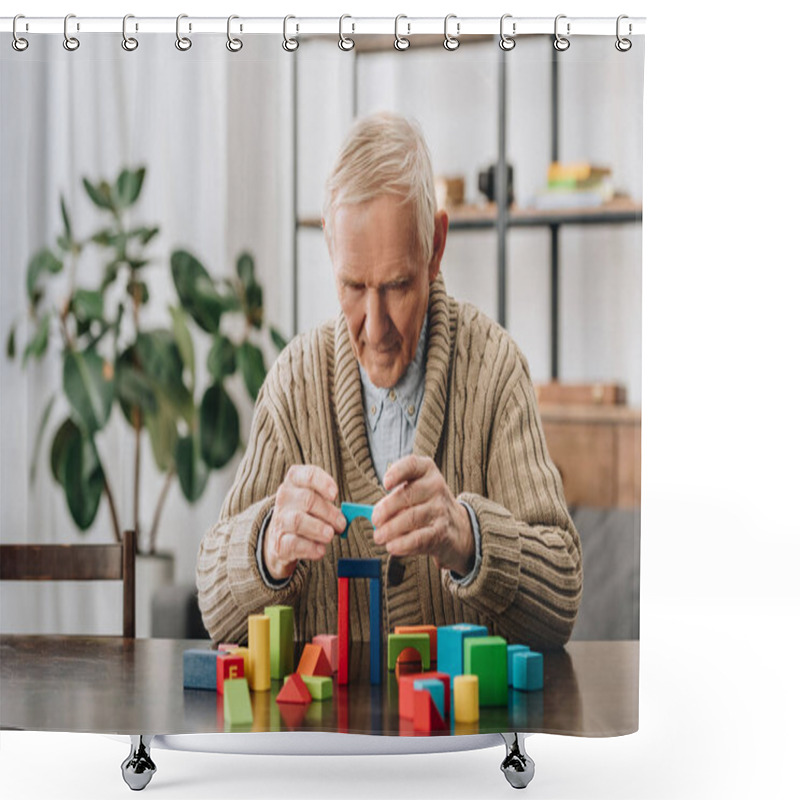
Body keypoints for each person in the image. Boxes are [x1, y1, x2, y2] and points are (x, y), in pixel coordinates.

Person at [196, 112, 582, 650]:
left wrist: (468, 538)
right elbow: (215, 611)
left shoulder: (495, 369)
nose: (375, 330)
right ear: (330, 243)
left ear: (436, 248)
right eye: (353, 286)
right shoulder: (292, 382)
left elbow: (562, 597)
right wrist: (265, 548)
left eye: (397, 286)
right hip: (323, 735)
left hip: (464, 734)